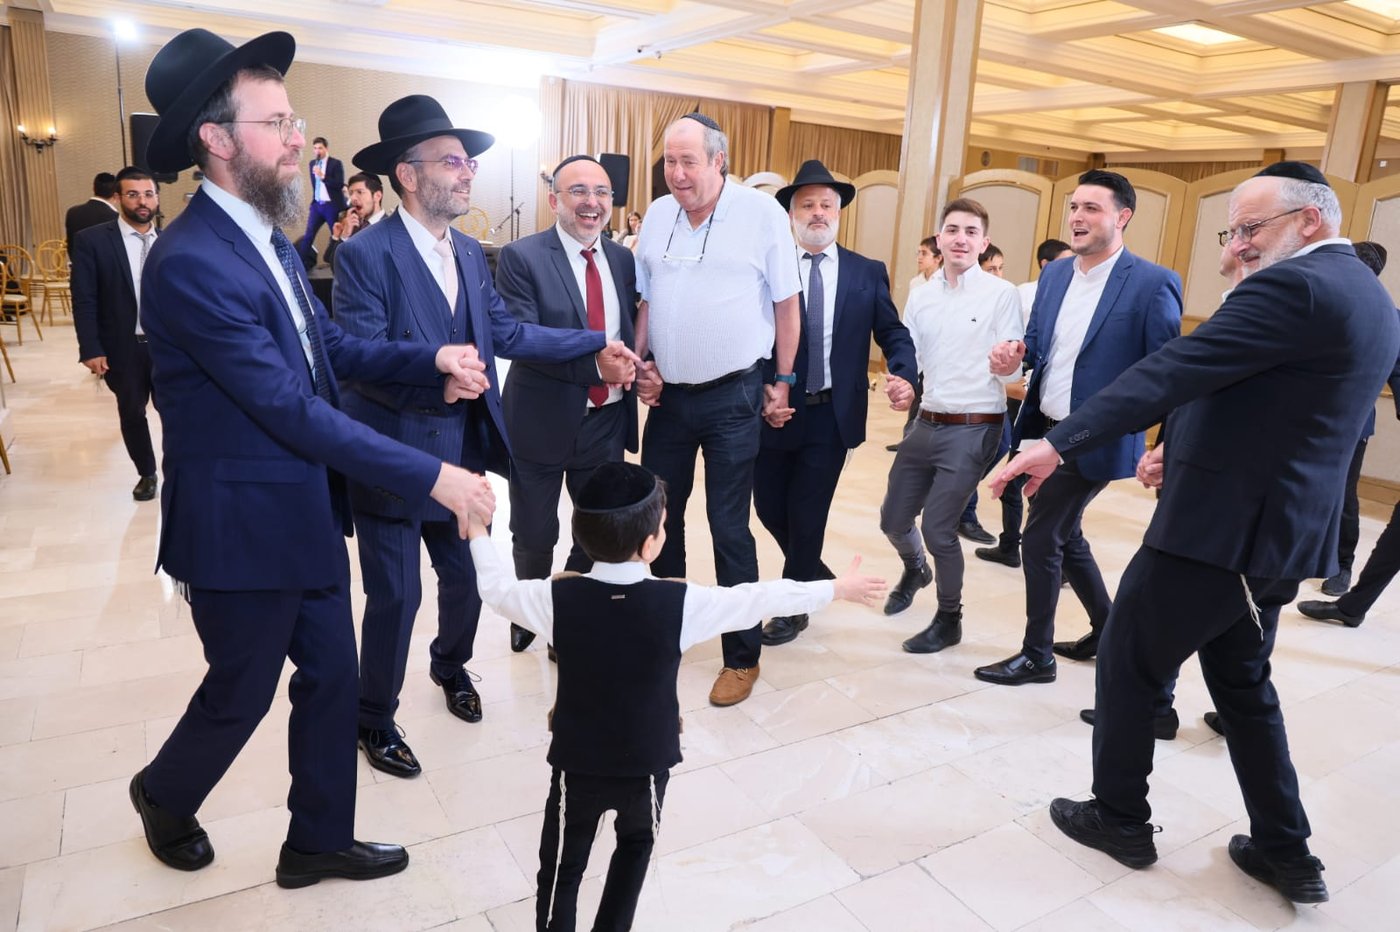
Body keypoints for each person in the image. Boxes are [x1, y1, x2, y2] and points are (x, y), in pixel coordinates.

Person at [132, 28, 493, 888]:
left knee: (333, 677)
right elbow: (289, 409)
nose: (298, 139)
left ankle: (318, 839)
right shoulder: (190, 263)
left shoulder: (267, 237)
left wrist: (429, 358)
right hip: (239, 527)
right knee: (242, 691)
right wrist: (433, 475)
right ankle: (164, 793)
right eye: (277, 123)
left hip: (302, 510)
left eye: (294, 122)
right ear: (217, 140)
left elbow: (325, 348)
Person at [991, 162, 1400, 905]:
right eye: (1232, 231)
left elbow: (1178, 366)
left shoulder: (1294, 285)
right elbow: (1252, 392)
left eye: (1251, 228)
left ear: (1309, 220)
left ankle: (1119, 817)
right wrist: (1172, 446)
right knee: (1244, 686)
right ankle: (1286, 849)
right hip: (1279, 536)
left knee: (1127, 662)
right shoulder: (1369, 294)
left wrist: (1058, 441)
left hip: (1219, 534)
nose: (1238, 244)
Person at [334, 97, 636, 777]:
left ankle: (451, 667)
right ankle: (373, 716)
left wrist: (594, 344)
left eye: (468, 161)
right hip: (392, 452)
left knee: (467, 580)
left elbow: (508, 333)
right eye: (452, 162)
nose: (468, 172)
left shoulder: (471, 252)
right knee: (397, 596)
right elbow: (356, 356)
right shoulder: (365, 254)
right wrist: (434, 374)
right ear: (408, 175)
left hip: (462, 450)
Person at [467, 461, 885, 932]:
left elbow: (496, 591)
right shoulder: (681, 603)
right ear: (650, 545)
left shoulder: (555, 599)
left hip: (576, 763)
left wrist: (478, 530)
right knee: (634, 852)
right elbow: (760, 597)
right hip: (647, 764)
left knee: (562, 868)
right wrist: (835, 588)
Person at [974, 171, 1180, 687]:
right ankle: (1108, 630)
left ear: (1122, 217)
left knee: (1041, 537)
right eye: (1074, 207)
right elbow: (1036, 344)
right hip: (1041, 427)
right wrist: (1013, 356)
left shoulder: (1152, 283)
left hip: (1095, 438)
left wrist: (1164, 446)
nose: (1077, 217)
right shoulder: (1056, 275)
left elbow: (1166, 374)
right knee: (1067, 534)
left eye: (1092, 208)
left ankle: (1037, 656)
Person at [632, 113, 802, 707]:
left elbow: (786, 304)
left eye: (689, 161)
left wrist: (784, 380)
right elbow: (647, 299)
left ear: (718, 161)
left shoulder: (761, 215)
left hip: (735, 395)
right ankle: (667, 633)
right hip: (670, 399)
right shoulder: (658, 215)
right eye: (669, 162)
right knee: (660, 521)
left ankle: (741, 657)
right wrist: (640, 361)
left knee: (729, 526)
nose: (677, 174)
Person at [753, 159, 917, 645]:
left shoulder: (867, 272)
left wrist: (904, 373)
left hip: (831, 414)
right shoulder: (768, 268)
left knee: (808, 512)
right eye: (808, 205)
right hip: (775, 411)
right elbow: (750, 336)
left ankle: (796, 603)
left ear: (839, 211)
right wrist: (763, 389)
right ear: (792, 214)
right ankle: (813, 573)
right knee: (768, 507)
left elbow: (893, 333)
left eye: (827, 204)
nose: (818, 213)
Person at [495, 154, 638, 654]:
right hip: (539, 418)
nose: (591, 202)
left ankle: (568, 609)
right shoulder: (522, 257)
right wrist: (596, 367)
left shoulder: (622, 259)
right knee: (534, 531)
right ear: (555, 200)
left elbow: (629, 331)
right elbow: (521, 338)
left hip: (606, 420)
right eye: (578, 191)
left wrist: (642, 367)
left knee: (597, 525)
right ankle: (529, 610)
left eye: (601, 192)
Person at [879, 197, 1023, 654]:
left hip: (975, 426)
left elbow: (1013, 369)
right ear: (939, 238)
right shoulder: (922, 295)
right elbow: (911, 358)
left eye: (971, 232)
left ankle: (949, 618)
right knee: (893, 519)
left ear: (983, 242)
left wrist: (1007, 364)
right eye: (953, 230)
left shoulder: (1002, 294)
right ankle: (915, 568)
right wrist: (903, 384)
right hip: (926, 421)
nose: (961, 239)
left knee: (940, 528)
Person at [71, 166, 162, 502]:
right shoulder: (92, 241)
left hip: (168, 348)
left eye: (148, 194)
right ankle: (147, 473)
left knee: (178, 411)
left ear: (157, 198)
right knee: (132, 413)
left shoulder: (171, 241)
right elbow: (84, 299)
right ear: (118, 198)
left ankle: (181, 468)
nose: (142, 201)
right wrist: (91, 348)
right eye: (133, 194)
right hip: (124, 347)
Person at [298, 135, 346, 266]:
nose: (317, 151)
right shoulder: (312, 164)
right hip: (317, 205)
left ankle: (340, 265)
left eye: (320, 148)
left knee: (336, 235)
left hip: (332, 206)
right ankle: (299, 266)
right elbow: (315, 186)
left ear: (326, 148)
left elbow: (339, 184)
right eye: (315, 148)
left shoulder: (336, 164)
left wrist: (322, 176)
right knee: (308, 235)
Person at [323, 171, 384, 268]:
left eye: (360, 192)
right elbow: (331, 261)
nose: (353, 198)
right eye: (351, 193)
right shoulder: (352, 225)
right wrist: (342, 236)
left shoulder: (391, 228)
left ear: (377, 196)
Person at [65, 172, 119, 249]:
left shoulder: (72, 212)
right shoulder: (115, 217)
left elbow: (70, 246)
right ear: (116, 195)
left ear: (93, 188)